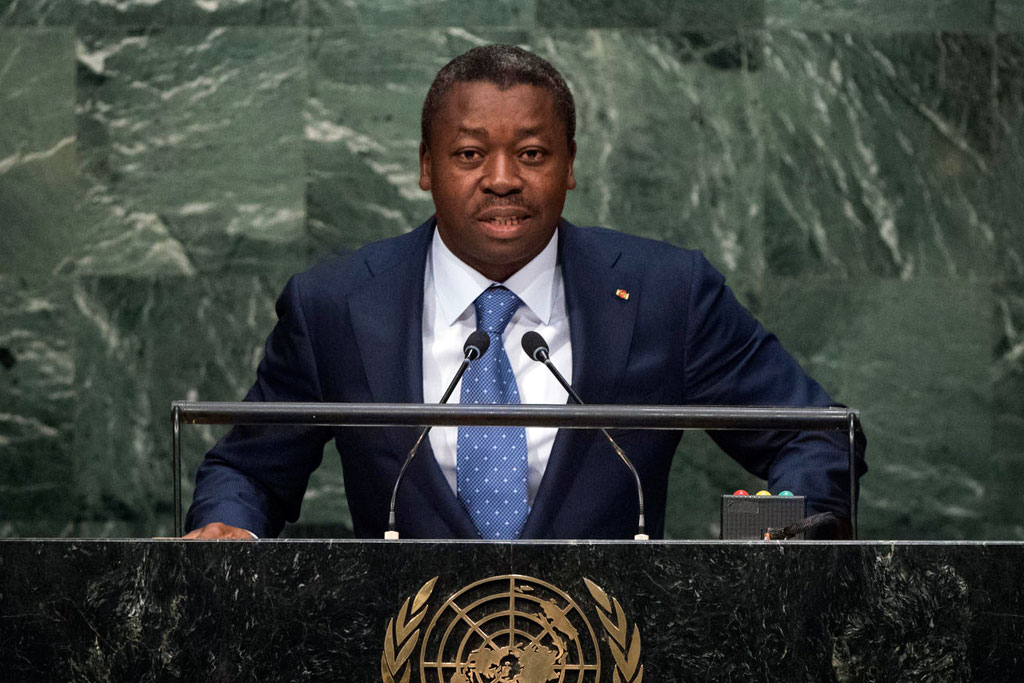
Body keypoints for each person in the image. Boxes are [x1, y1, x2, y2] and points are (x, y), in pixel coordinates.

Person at [184, 45, 866, 541]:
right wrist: (227, 528)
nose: (503, 178)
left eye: (533, 154)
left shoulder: (666, 293)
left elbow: (817, 433)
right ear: (426, 166)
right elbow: (250, 469)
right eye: (469, 154)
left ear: (570, 166)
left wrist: (788, 521)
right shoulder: (334, 305)